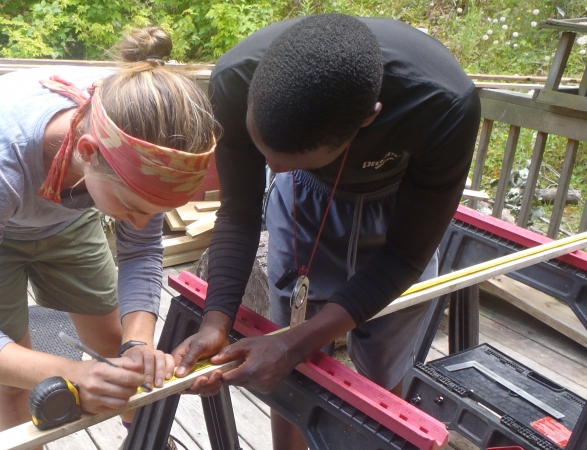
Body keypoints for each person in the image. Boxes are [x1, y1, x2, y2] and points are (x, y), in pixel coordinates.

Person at [171, 14, 481, 449]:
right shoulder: (236, 77)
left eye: (291, 160)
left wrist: (294, 345)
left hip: (398, 206)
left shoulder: (442, 105)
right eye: (264, 152)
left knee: (384, 368)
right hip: (305, 199)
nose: (273, 171)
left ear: (368, 120)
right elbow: (239, 211)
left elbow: (405, 257)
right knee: (286, 362)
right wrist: (215, 319)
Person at [0, 26, 218, 447]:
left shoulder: (137, 148)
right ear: (87, 152)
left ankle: (144, 441)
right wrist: (71, 373)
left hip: (70, 211)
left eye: (152, 211)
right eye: (133, 208)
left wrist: (138, 345)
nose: (140, 224)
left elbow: (141, 252)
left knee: (117, 344)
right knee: (13, 378)